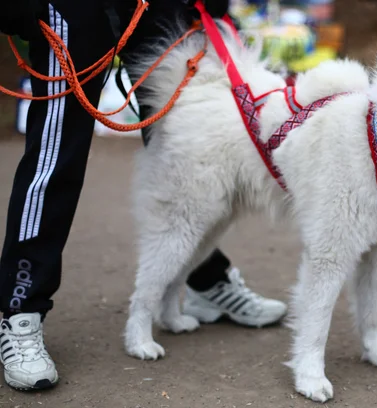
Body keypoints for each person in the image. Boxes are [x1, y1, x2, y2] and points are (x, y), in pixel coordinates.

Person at [0, 0, 287, 392]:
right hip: (72, 7)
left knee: (200, 149)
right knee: (56, 155)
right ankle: (21, 306)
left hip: (162, 5)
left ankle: (202, 279)